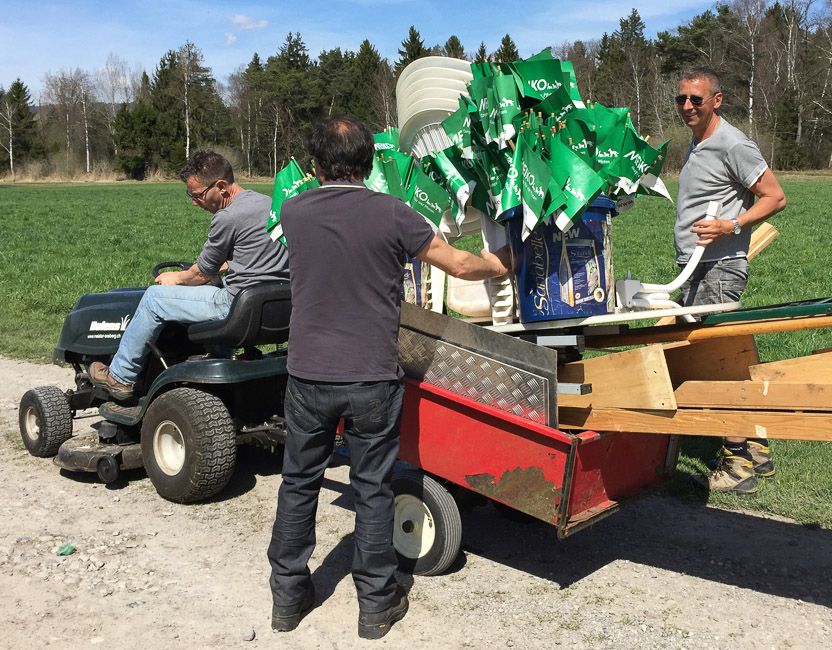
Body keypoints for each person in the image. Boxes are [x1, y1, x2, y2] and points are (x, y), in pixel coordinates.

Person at [267, 115, 511, 640]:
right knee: (372, 488)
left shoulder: (292, 211)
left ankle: (286, 598)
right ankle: (375, 605)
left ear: (316, 165)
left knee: (298, 482)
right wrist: (500, 264)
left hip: (307, 375)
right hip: (371, 378)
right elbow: (458, 265)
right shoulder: (394, 214)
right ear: (370, 162)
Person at [89, 150, 289, 399]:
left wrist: (174, 278)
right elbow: (261, 254)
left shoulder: (227, 217)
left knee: (154, 298)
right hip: (275, 303)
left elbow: (201, 274)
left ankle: (120, 376)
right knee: (213, 288)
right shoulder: (269, 203)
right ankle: (218, 356)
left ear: (221, 187)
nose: (194, 202)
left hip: (236, 305)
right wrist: (229, 265)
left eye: (197, 195)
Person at [674, 67, 786, 494]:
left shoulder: (732, 143)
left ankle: (736, 464)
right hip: (696, 266)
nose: (687, 106)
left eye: (696, 99)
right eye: (681, 99)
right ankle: (756, 449)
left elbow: (775, 196)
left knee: (714, 365)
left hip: (717, 268)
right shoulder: (698, 142)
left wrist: (731, 225)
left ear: (716, 100)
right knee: (727, 362)